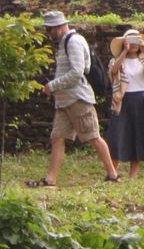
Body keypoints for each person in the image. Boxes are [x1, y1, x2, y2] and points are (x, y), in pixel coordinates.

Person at [27, 11, 119, 188]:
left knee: (93, 136)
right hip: (64, 100)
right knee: (57, 138)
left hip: (78, 98)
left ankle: (113, 175)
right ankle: (50, 180)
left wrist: (52, 86)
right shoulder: (64, 43)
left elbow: (77, 72)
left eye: (50, 29)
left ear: (61, 26)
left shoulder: (74, 41)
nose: (48, 33)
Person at [107, 29, 144, 180]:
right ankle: (112, 174)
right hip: (122, 101)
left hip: (141, 101)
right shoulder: (117, 59)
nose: (133, 45)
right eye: (130, 41)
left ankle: (133, 177)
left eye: (136, 41)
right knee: (116, 138)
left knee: (137, 138)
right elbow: (114, 71)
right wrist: (125, 51)